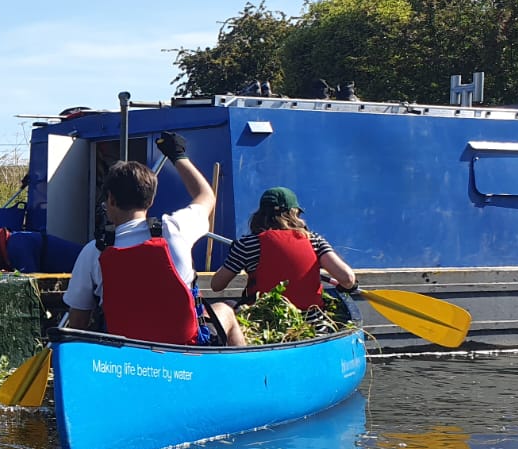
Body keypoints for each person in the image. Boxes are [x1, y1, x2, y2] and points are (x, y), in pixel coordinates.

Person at [64, 132, 245, 346]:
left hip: (126, 357)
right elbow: (206, 196)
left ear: (111, 199)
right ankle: (239, 376)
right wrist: (177, 155)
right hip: (185, 350)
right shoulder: (176, 228)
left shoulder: (94, 250)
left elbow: (77, 323)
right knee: (225, 310)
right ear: (150, 200)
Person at [208, 186, 357, 332]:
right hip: (313, 324)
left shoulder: (247, 244)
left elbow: (216, 285)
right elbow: (347, 278)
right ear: (294, 213)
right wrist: (349, 286)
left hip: (261, 322)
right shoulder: (314, 240)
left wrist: (236, 253)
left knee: (227, 305)